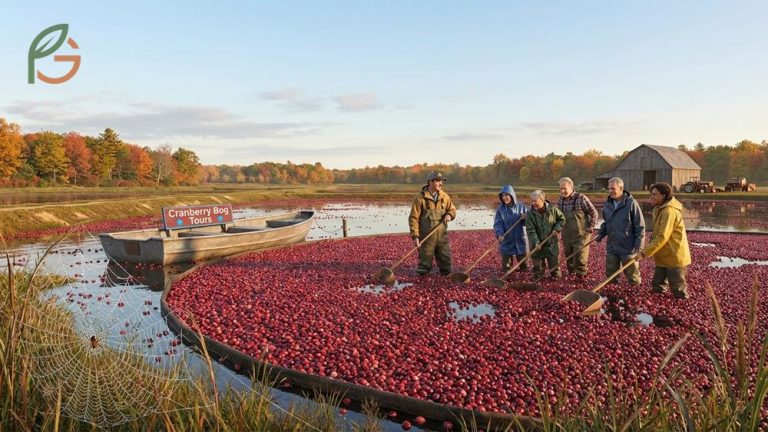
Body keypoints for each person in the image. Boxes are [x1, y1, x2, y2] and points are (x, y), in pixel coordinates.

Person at [638, 182, 691, 299]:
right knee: (657, 285)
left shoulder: (669, 212)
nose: (651, 197)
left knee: (678, 289)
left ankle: (681, 310)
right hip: (662, 255)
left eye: (654, 194)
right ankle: (658, 309)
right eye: (651, 194)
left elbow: (662, 236)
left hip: (674, 255)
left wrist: (644, 253)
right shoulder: (657, 209)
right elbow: (656, 233)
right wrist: (647, 248)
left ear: (664, 196)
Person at [595, 177, 645, 285]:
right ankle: (612, 294)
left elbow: (640, 226)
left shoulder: (631, 203)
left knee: (632, 275)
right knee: (611, 273)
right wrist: (600, 233)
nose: (610, 191)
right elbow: (607, 223)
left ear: (621, 188)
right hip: (612, 245)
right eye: (609, 188)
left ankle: (635, 293)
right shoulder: (608, 204)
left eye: (613, 188)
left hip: (628, 246)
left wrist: (639, 246)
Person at [408, 171, 457, 276]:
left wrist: (449, 215)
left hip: (442, 237)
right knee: (423, 268)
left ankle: (445, 285)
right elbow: (413, 218)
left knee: (446, 266)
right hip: (426, 238)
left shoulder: (445, 197)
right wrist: (415, 236)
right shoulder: (420, 198)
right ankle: (421, 286)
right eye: (438, 181)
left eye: (441, 181)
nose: (441, 184)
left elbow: (452, 210)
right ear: (430, 182)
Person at [556, 177, 598, 277]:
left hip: (581, 234)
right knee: (568, 255)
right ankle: (571, 274)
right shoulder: (560, 201)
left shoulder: (581, 198)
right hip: (567, 234)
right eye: (560, 188)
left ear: (571, 187)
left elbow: (594, 213)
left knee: (580, 256)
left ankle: (581, 276)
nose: (562, 191)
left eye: (564, 188)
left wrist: (591, 225)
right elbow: (557, 217)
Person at [525, 190, 565, 279]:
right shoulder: (530, 213)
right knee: (537, 264)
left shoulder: (553, 209)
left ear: (542, 200)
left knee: (553, 262)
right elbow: (531, 230)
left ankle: (555, 274)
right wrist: (536, 242)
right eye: (532, 201)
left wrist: (556, 229)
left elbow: (562, 219)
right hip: (536, 243)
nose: (533, 203)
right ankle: (538, 275)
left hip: (551, 241)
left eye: (535, 201)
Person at [493, 185, 529, 273]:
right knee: (506, 267)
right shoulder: (500, 210)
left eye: (507, 195)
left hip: (520, 238)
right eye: (503, 195)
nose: (505, 197)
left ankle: (523, 273)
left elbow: (530, 222)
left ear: (512, 195)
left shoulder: (522, 207)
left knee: (523, 264)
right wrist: (500, 234)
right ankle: (507, 274)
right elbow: (498, 224)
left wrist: (526, 218)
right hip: (506, 239)